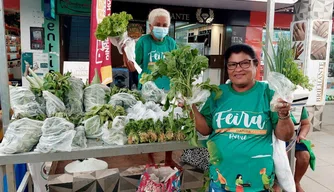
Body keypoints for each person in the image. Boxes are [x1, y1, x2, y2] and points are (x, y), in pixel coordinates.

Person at [185, 44, 295, 192]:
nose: (238, 69)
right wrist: (188, 106)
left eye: (244, 63)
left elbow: (285, 135)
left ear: (255, 64)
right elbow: (205, 129)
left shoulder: (269, 94)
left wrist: (284, 115)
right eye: (232, 65)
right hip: (220, 178)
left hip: (257, 182)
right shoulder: (217, 93)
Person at [123, 8, 177, 90]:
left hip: (168, 89)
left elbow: (177, 65)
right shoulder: (143, 42)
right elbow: (134, 66)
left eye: (165, 25)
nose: (161, 28)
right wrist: (125, 50)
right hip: (147, 90)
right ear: (150, 26)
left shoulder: (171, 43)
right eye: (158, 25)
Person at [273, 107, 311, 192]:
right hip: (276, 136)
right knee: (280, 157)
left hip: (294, 137)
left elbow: (306, 124)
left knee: (304, 156)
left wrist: (302, 135)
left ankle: (296, 182)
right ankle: (276, 182)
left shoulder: (299, 103)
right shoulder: (271, 100)